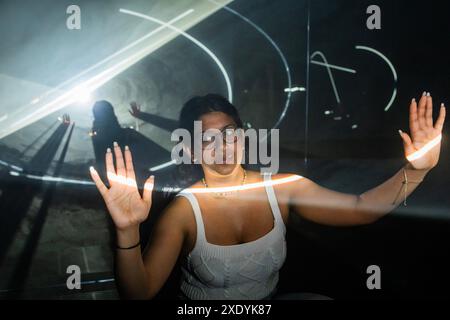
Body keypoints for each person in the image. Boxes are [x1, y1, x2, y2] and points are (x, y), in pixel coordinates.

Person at [89, 92, 446, 300]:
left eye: (229, 133)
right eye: (207, 138)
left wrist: (417, 170)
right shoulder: (184, 211)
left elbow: (362, 208)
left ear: (243, 137)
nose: (222, 145)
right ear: (193, 150)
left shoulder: (284, 187)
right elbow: (141, 292)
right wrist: (127, 232)